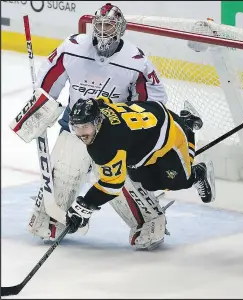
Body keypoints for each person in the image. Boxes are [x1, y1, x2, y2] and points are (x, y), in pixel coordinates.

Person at [26, 3, 170, 245]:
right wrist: (42, 108)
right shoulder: (73, 47)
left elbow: (152, 102)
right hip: (77, 124)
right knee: (65, 169)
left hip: (114, 132)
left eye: (109, 25)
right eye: (99, 25)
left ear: (120, 28)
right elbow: (47, 82)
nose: (103, 31)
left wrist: (136, 133)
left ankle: (149, 221)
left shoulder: (135, 60)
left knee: (114, 180)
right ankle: (52, 219)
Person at [64, 96, 215, 249]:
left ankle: (190, 138)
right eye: (77, 127)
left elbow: (113, 185)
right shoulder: (100, 111)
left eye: (86, 127)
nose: (81, 133)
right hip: (146, 133)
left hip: (169, 133)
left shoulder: (105, 143)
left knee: (179, 181)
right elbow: (104, 101)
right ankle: (185, 126)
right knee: (147, 182)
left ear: (97, 121)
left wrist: (87, 204)